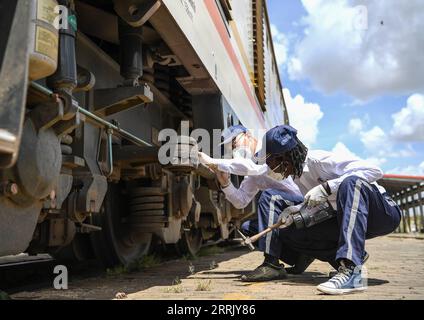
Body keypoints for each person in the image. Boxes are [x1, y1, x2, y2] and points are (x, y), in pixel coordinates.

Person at [211, 125, 401, 295]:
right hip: (345, 218)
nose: (269, 167)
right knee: (292, 232)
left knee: (351, 183)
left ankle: (353, 271)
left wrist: (328, 187)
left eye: (271, 161)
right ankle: (342, 256)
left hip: (382, 214)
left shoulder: (320, 160)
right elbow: (319, 206)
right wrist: (295, 210)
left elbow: (375, 171)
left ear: (284, 156)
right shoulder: (297, 177)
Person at [200, 125, 315, 282]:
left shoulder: (269, 154)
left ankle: (271, 264)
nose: (234, 149)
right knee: (249, 228)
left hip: (303, 205)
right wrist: (226, 184)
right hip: (286, 212)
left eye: (235, 142)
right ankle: (300, 256)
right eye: (230, 147)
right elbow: (241, 201)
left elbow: (254, 168)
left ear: (247, 136)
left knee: (269, 197)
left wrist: (213, 162)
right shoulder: (253, 168)